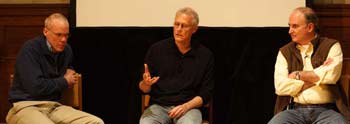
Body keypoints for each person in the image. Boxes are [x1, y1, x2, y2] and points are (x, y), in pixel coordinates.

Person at [6, 13, 104, 124]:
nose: (63, 39)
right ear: (45, 32)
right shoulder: (30, 49)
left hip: (54, 106)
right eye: (58, 35)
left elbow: (67, 69)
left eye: (66, 35)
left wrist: (70, 70)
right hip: (26, 106)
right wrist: (64, 81)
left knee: (95, 122)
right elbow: (36, 88)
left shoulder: (66, 50)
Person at [268, 7, 350, 124]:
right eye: (289, 26)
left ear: (310, 27)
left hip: (327, 111)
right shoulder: (285, 52)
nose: (289, 31)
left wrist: (297, 75)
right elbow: (280, 87)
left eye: (295, 26)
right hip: (294, 110)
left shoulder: (331, 46)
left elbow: (331, 76)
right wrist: (319, 74)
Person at [139, 7, 214, 124]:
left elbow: (206, 93)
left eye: (184, 26)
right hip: (159, 106)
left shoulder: (205, 55)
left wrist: (186, 107)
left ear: (194, 29)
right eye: (176, 24)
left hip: (189, 108)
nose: (178, 29)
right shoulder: (157, 50)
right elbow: (144, 88)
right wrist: (146, 84)